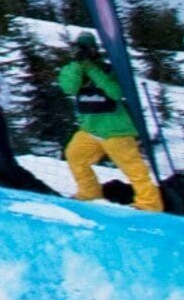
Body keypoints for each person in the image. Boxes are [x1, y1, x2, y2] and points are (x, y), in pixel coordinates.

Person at [54, 38, 164, 212]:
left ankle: (150, 203)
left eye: (88, 49)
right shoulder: (72, 69)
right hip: (90, 127)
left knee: (133, 168)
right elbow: (70, 87)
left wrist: (93, 69)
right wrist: (78, 65)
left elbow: (116, 92)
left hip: (115, 127)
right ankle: (89, 191)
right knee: (75, 155)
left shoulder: (108, 69)